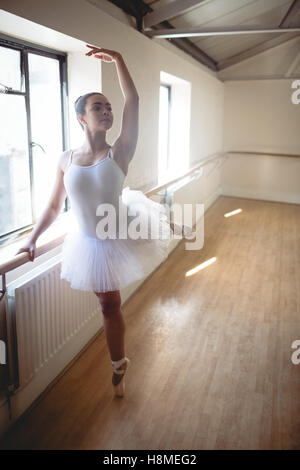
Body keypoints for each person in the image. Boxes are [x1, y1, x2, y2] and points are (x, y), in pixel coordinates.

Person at [15, 45, 194, 398]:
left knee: (138, 225)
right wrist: (33, 239)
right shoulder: (66, 159)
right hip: (91, 240)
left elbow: (134, 101)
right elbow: (53, 206)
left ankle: (170, 224)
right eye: (99, 107)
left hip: (119, 226)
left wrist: (119, 59)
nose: (107, 111)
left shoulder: (120, 151)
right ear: (82, 117)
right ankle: (121, 363)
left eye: (109, 107)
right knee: (108, 303)